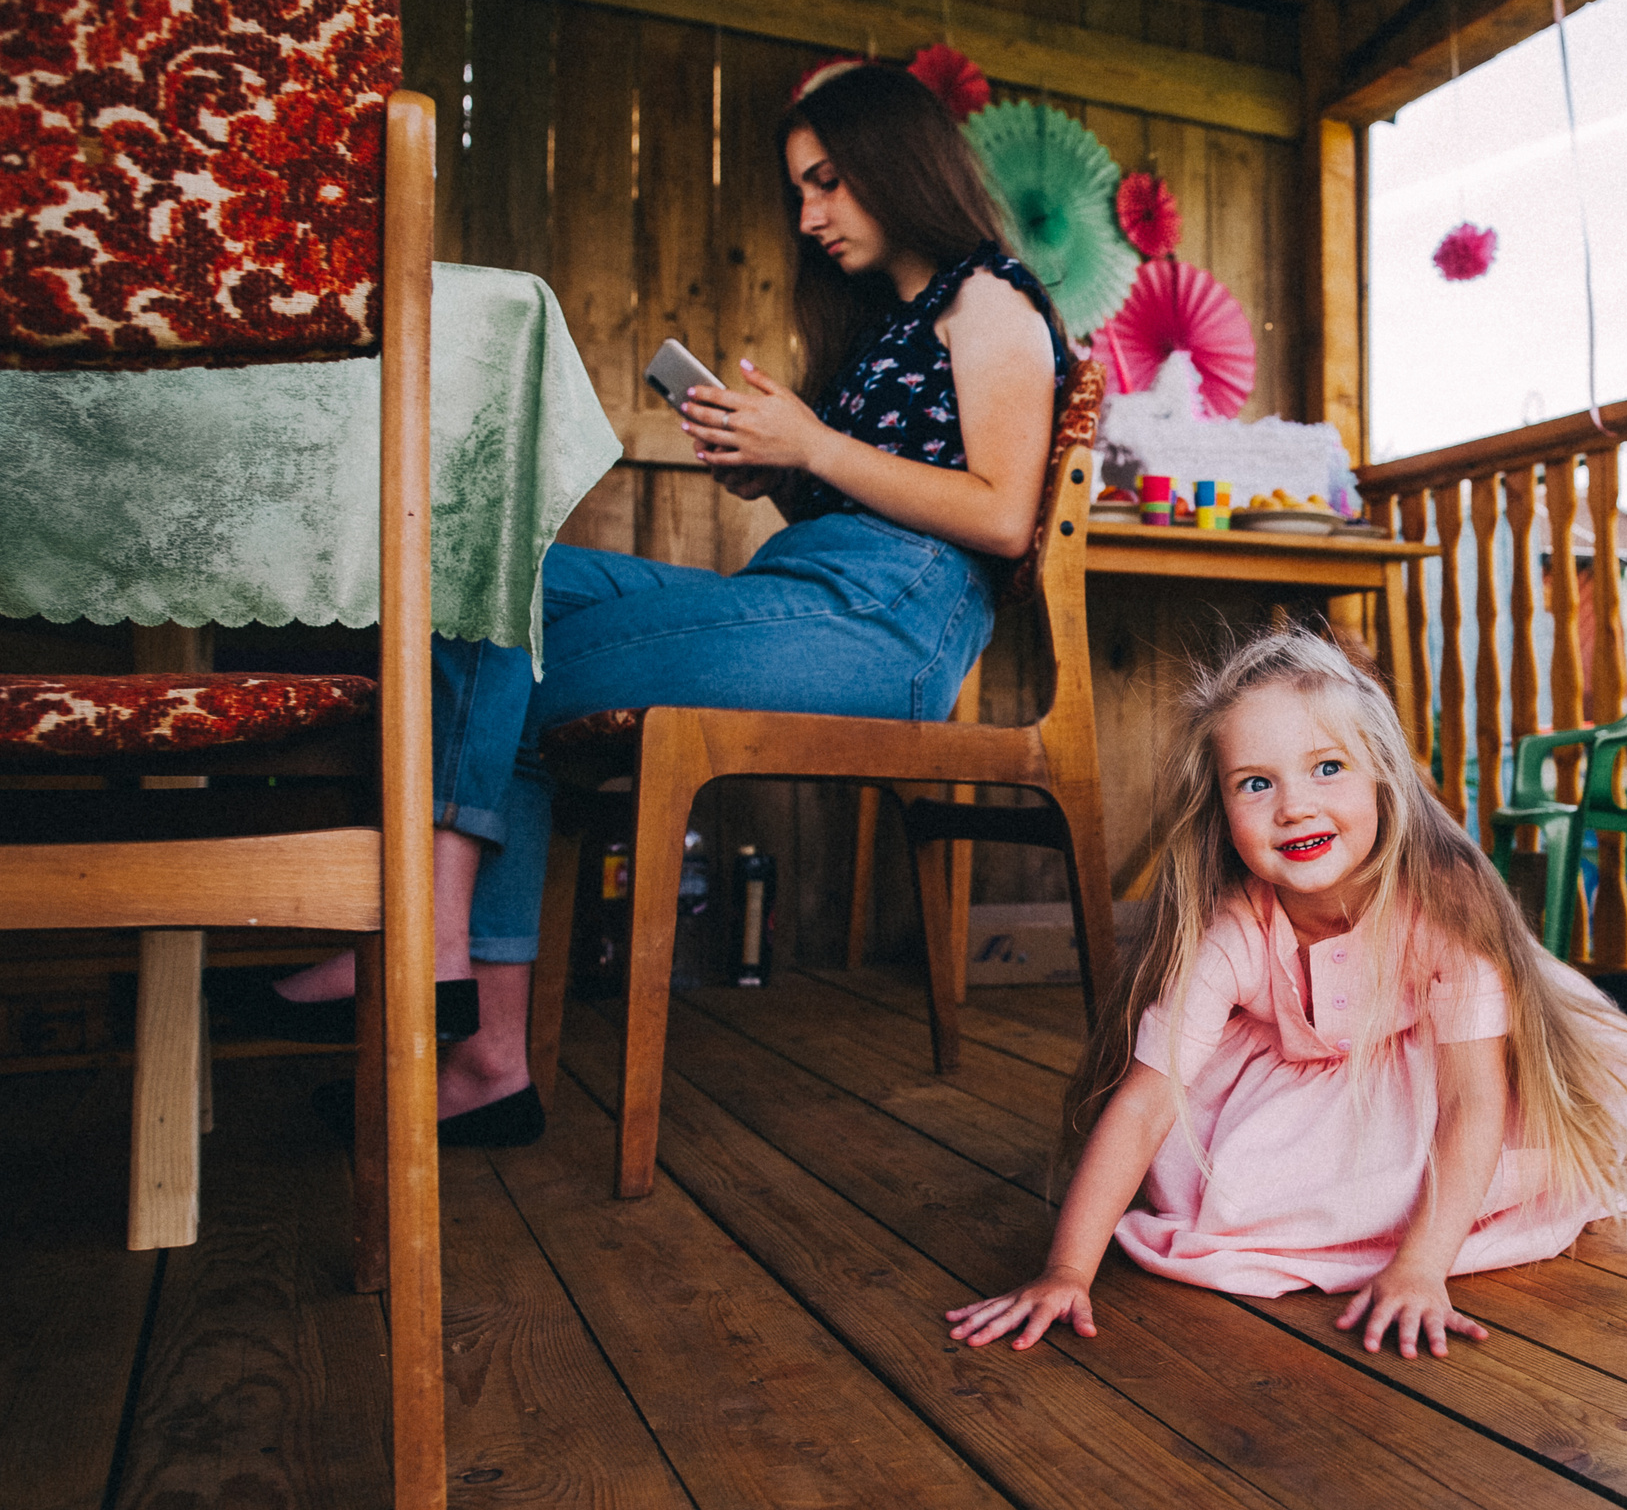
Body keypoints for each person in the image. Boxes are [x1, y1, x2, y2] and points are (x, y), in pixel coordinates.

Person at [252, 59, 1069, 1146]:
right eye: (800, 193)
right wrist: (781, 476)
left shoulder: (990, 300)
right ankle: (486, 1053)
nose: (811, 214)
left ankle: (431, 940)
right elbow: (858, 516)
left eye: (827, 181)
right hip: (817, 592)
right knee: (484, 577)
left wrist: (813, 445)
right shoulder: (886, 323)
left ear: (895, 161)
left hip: (892, 631)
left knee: (507, 655)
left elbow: (1004, 517)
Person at [945, 629, 1627, 1360]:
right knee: (1218, 1181)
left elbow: (1472, 1100)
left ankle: (1414, 1232)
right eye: (1256, 783)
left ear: (1383, 777)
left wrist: (1421, 1267)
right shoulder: (1230, 923)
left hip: (1439, 1068)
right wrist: (1066, 1270)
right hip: (1293, 1078)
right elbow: (1143, 1103)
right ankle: (1349, 1213)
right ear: (1222, 812)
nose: (1293, 806)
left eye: (1327, 767)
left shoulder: (1446, 905)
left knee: (1470, 1152)